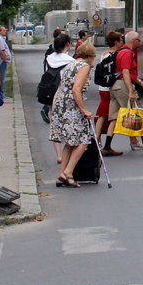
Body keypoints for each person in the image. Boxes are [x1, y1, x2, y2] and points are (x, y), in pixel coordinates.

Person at [48, 40, 97, 187]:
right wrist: (84, 110)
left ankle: (61, 175)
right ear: (91, 55)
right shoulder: (84, 66)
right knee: (83, 140)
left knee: (70, 142)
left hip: (60, 103)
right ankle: (68, 172)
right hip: (70, 106)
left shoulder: (72, 64)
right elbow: (76, 89)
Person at [110, 31, 143, 153]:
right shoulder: (127, 53)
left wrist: (140, 83)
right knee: (137, 113)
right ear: (133, 41)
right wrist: (131, 90)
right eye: (138, 40)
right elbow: (125, 72)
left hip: (115, 87)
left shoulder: (120, 51)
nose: (140, 42)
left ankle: (107, 146)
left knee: (114, 118)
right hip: (123, 86)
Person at [44, 33, 76, 163]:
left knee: (55, 124)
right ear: (67, 45)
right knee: (69, 124)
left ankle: (58, 155)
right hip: (65, 95)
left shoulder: (49, 58)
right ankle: (68, 151)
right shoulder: (70, 61)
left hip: (51, 94)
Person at [96, 30, 125, 156]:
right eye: (121, 40)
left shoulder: (104, 54)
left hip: (102, 87)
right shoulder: (116, 54)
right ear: (116, 42)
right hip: (112, 88)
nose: (122, 42)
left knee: (102, 114)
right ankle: (134, 140)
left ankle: (97, 140)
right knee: (119, 113)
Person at [0, 25, 12, 101]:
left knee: (1, 77)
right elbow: (2, 51)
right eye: (4, 30)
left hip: (1, 60)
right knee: (1, 77)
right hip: (1, 61)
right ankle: (1, 94)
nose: (5, 31)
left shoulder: (0, 38)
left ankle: (1, 93)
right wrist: (5, 59)